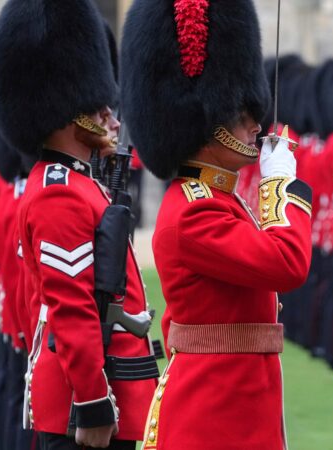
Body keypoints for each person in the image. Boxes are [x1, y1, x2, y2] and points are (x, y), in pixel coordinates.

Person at [120, 1, 313, 449]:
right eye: (236, 115)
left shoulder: (220, 200)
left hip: (240, 403)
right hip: (212, 413)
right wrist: (282, 184)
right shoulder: (195, 211)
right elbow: (287, 264)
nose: (253, 124)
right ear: (204, 125)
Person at [0, 0, 158, 448]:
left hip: (97, 387)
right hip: (78, 406)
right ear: (71, 113)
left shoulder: (79, 185)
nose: (113, 121)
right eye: (101, 112)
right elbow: (72, 308)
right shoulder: (60, 193)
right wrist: (93, 403)